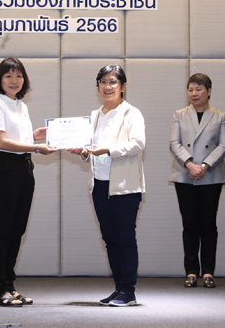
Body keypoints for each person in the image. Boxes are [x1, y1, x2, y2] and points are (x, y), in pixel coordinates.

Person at [68, 64, 145, 307]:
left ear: (123, 86)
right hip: (100, 184)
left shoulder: (132, 113)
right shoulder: (94, 115)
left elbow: (138, 143)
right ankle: (119, 288)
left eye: (113, 82)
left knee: (124, 238)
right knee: (110, 239)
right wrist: (83, 152)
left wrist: (107, 150)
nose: (107, 86)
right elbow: (90, 149)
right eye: (103, 81)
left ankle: (129, 291)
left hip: (124, 186)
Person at [0, 57, 56, 307]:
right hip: (4, 169)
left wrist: (33, 136)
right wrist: (36, 147)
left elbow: (17, 137)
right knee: (3, 231)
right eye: (8, 76)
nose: (14, 81)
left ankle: (9, 286)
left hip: (24, 168)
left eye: (19, 76)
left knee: (17, 231)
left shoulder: (20, 105)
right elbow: (1, 142)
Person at [169, 73, 225, 289]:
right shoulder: (179, 114)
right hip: (185, 175)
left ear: (209, 91)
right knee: (190, 224)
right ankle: (191, 271)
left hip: (210, 175)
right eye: (190, 89)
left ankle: (209, 272)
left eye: (199, 89)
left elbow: (224, 146)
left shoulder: (221, 116)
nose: (194, 93)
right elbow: (174, 143)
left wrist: (203, 166)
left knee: (208, 225)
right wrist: (190, 164)